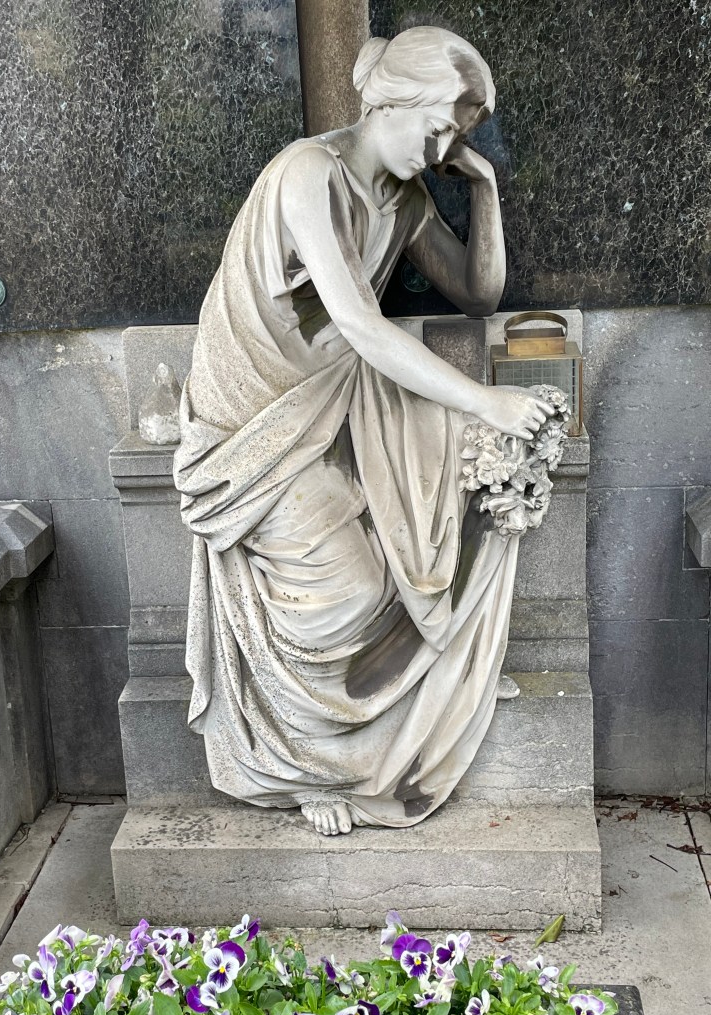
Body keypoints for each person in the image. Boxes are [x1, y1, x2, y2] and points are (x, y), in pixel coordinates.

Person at [174, 26, 553, 836]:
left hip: (331, 395)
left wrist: (484, 187)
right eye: (438, 128)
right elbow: (359, 322)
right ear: (391, 100)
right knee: (342, 594)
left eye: (456, 137)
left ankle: (440, 670)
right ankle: (299, 765)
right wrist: (484, 402)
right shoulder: (307, 173)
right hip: (255, 419)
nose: (443, 149)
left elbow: (479, 295)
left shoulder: (404, 200)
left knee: (467, 469)